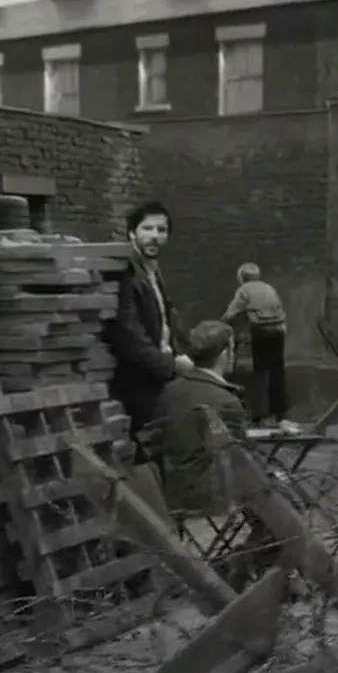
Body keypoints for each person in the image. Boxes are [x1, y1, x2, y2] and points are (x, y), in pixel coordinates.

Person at [106, 200, 184, 456]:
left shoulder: (153, 271)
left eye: (161, 230)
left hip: (159, 376)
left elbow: (167, 319)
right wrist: (170, 367)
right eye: (147, 229)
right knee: (148, 454)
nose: (155, 236)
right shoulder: (126, 273)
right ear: (132, 233)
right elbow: (129, 337)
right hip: (137, 382)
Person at [148, 320, 246, 519]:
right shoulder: (226, 400)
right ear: (225, 354)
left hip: (169, 493)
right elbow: (243, 460)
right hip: (213, 494)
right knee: (281, 487)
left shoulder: (169, 391)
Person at [221, 262, 293, 430]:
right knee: (277, 371)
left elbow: (233, 310)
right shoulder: (269, 287)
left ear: (241, 277)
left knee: (261, 372)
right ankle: (280, 413)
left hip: (261, 331)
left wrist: (222, 323)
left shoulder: (244, 290)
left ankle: (260, 415)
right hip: (279, 330)